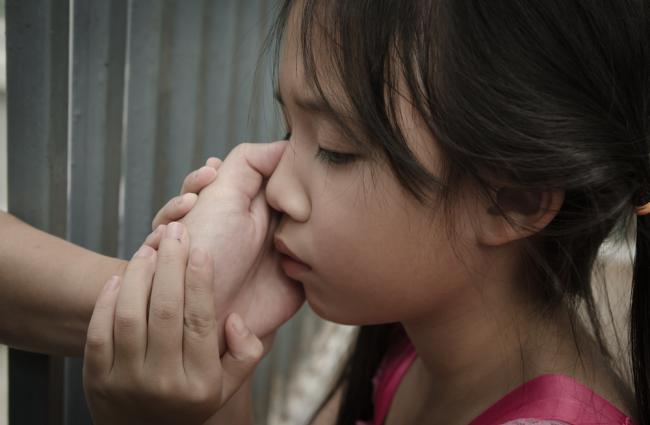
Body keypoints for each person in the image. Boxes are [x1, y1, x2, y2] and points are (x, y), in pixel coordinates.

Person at [81, 0, 649, 424]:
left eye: (335, 148)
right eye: (288, 129)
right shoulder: (418, 333)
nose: (276, 187)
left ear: (514, 200)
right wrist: (215, 343)